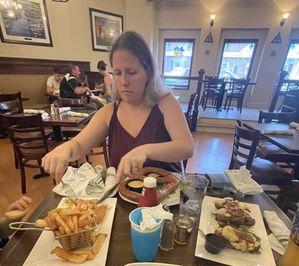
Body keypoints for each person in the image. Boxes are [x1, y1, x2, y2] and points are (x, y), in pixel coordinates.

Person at [42, 31, 193, 183]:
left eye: (132, 72)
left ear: (148, 72)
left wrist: (145, 151)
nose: (124, 81)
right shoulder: (109, 112)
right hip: (123, 201)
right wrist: (66, 149)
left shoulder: (166, 103)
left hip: (168, 199)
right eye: (118, 73)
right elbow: (80, 144)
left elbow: (186, 147)